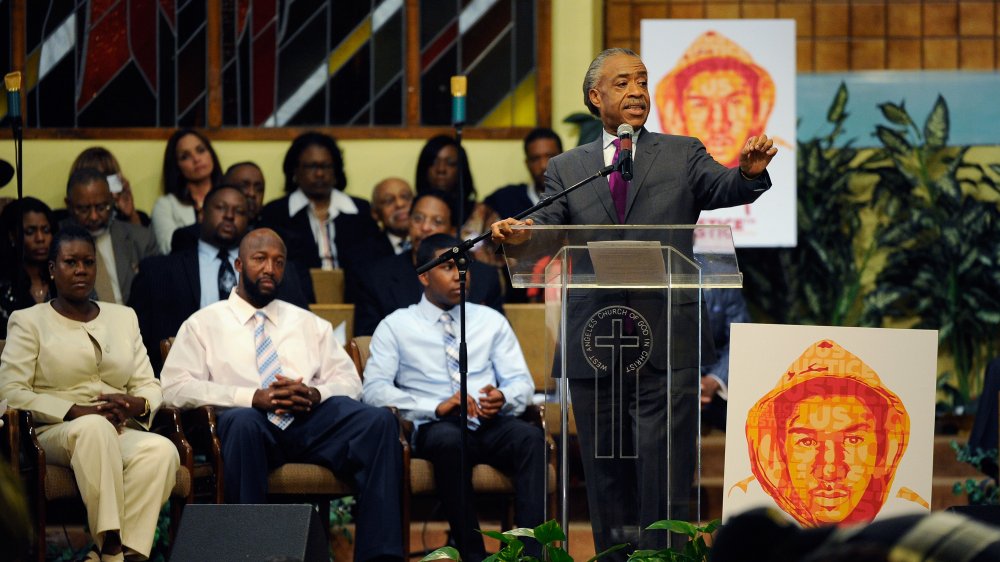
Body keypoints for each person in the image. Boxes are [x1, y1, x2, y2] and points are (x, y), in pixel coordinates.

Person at [491, 47, 776, 556]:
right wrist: (517, 236)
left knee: (665, 468)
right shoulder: (568, 166)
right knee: (604, 472)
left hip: (666, 337)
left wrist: (749, 173)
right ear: (595, 97)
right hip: (595, 338)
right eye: (623, 83)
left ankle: (666, 558)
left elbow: (723, 184)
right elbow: (548, 230)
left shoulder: (681, 152)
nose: (637, 92)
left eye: (642, 81)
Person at [159, 228, 403, 562]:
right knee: (243, 422)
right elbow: (174, 388)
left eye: (278, 261)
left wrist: (316, 393)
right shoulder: (203, 324)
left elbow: (349, 380)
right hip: (249, 426)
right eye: (260, 259)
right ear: (239, 264)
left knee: (377, 421)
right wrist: (250, 396)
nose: (270, 269)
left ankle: (380, 557)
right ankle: (252, 555)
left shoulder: (307, 323)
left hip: (308, 423)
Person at [0, 226, 179, 562]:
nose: (81, 270)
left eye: (88, 262)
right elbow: (10, 391)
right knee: (94, 429)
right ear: (53, 269)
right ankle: (111, 546)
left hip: (118, 427)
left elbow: (148, 383)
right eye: (70, 263)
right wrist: (73, 410)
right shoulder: (28, 321)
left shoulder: (123, 317)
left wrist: (134, 403)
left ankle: (126, 553)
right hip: (56, 431)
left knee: (162, 451)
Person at [362, 233, 544, 561]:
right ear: (423, 275)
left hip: (489, 422)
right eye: (448, 267)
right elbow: (374, 390)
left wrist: (503, 396)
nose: (461, 275)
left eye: (464, 266)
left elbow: (521, 382)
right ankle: (472, 554)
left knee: (531, 438)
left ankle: (523, 554)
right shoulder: (396, 325)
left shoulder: (490, 321)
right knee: (449, 442)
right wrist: (434, 405)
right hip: (437, 425)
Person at [732, 339, 922, 527]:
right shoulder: (745, 510)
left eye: (853, 440)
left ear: (884, 447)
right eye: (807, 442)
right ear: (780, 449)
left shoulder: (914, 516)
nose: (830, 470)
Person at [129, 184, 308, 372]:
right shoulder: (158, 271)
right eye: (221, 208)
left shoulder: (278, 270)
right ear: (201, 214)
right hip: (187, 375)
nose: (230, 216)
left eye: (239, 211)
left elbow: (300, 328)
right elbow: (137, 341)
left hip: (262, 373)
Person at [353, 191, 504, 337]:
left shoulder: (484, 277)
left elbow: (498, 336)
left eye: (437, 221)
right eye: (418, 219)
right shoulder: (376, 277)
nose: (425, 228)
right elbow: (368, 341)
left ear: (452, 231)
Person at [259, 132, 380, 302]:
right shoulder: (276, 213)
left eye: (326, 166)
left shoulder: (359, 211)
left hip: (357, 304)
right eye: (311, 166)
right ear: (295, 170)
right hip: (295, 304)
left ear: (336, 169)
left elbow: (373, 267)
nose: (319, 174)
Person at [654, 31, 775, 168]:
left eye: (735, 102)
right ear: (679, 114)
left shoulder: (777, 163)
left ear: (757, 110)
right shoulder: (662, 172)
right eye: (700, 104)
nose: (719, 125)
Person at [63, 168, 159, 305]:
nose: (94, 216)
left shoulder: (141, 238)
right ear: (69, 205)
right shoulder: (57, 241)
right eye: (84, 210)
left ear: (111, 200)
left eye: (102, 207)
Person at [415, 135, 499, 265]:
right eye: (433, 162)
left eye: (450, 163)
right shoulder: (414, 212)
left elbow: (504, 262)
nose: (441, 169)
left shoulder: (483, 214)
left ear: (462, 170)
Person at [169, 161, 267, 254]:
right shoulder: (189, 238)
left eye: (259, 189)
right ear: (223, 187)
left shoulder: (273, 237)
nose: (252, 194)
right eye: (243, 186)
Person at [151, 128, 223, 254]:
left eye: (200, 150)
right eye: (185, 156)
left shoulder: (231, 197)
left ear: (211, 153)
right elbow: (168, 247)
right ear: (176, 166)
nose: (196, 159)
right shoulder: (165, 205)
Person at [0, 197, 57, 337]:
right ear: (12, 236)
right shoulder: (3, 286)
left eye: (46, 230)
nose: (40, 238)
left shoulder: (63, 276)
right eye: (30, 232)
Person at [483, 128, 564, 221]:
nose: (543, 165)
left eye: (550, 156)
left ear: (563, 157)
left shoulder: (575, 197)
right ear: (527, 164)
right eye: (535, 159)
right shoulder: (505, 199)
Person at [701, 288, 752, 432]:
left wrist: (714, 381)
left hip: (714, 383)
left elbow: (741, 340)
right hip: (664, 385)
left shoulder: (721, 276)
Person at [70, 146, 151, 227]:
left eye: (105, 178)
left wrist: (131, 216)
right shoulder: (60, 222)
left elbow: (144, 238)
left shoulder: (137, 218)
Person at [368, 177, 414, 259]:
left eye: (405, 197)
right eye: (389, 200)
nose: (400, 204)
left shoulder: (434, 243)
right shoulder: (364, 255)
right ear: (375, 213)